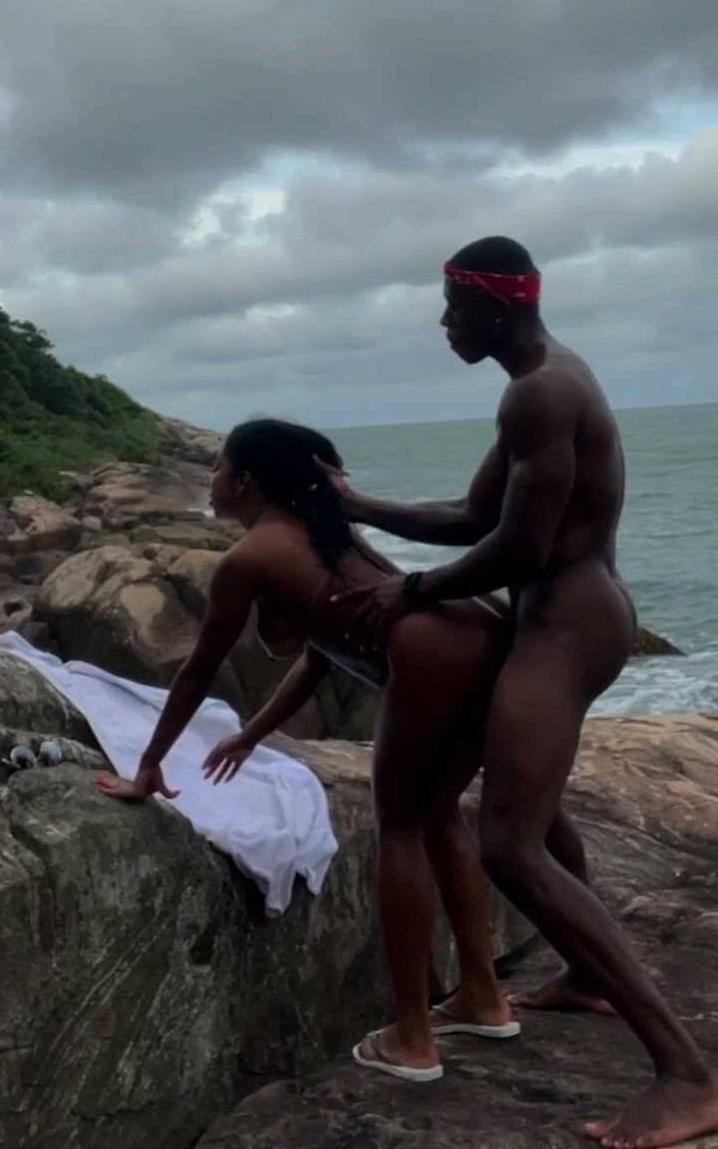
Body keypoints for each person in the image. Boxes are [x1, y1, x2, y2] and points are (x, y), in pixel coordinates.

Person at [319, 235, 718, 1148]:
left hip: (567, 627)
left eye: (454, 307)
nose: (444, 322)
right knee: (532, 803)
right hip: (560, 615)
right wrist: (360, 506)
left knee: (508, 842)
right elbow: (474, 517)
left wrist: (413, 590)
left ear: (496, 307)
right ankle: (587, 977)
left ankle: (688, 1077)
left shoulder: (540, 392)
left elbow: (521, 548)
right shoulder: (540, 382)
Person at [97, 417, 521, 1083]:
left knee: (400, 830)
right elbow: (323, 656)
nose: (211, 479)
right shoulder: (326, 534)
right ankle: (483, 998)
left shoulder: (249, 558)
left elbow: (199, 671)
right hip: (474, 636)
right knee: (440, 819)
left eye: (218, 467)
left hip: (427, 656)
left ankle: (414, 1039)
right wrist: (251, 734)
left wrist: (149, 765)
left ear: (245, 481)